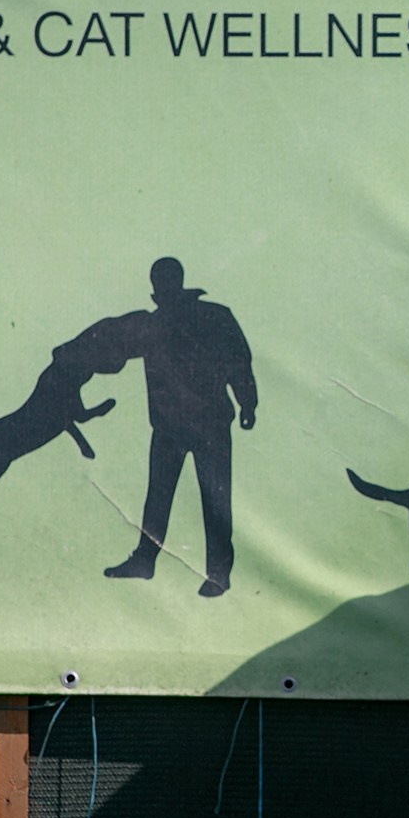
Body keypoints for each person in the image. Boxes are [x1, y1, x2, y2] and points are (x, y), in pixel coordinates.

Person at [93, 255, 258, 596]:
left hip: (193, 425)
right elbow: (240, 360)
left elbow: (239, 359)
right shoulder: (204, 317)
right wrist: (247, 403)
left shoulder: (164, 323)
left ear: (159, 284)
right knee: (175, 496)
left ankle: (208, 573)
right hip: (183, 425)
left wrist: (248, 402)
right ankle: (170, 565)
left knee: (198, 497)